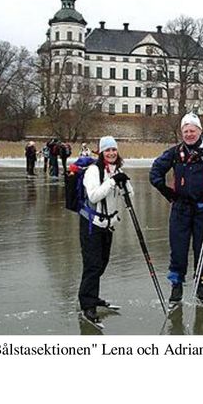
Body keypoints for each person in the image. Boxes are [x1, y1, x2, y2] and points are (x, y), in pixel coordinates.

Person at [149, 112, 203, 305]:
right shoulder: (175, 153)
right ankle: (176, 288)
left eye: (192, 130)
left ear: (199, 131)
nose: (189, 134)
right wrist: (167, 192)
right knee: (178, 250)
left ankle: (202, 287)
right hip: (181, 210)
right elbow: (155, 173)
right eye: (185, 131)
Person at [76, 136, 133, 328]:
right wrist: (111, 181)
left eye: (114, 150)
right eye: (107, 150)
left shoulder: (116, 170)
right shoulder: (93, 171)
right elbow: (93, 195)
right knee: (92, 265)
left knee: (102, 263)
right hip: (91, 224)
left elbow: (129, 195)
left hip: (107, 225)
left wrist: (124, 182)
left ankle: (91, 295)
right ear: (101, 152)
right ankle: (87, 304)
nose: (111, 153)